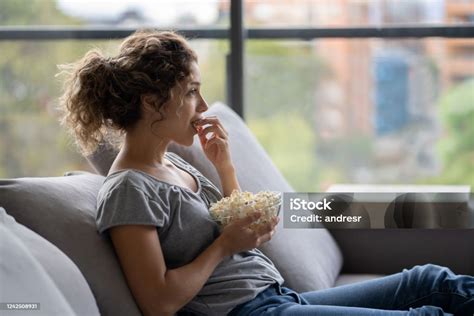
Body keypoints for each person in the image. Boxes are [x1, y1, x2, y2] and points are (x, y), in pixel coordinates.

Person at [58, 29, 473, 316]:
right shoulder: (129, 188)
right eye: (190, 92)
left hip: (275, 297)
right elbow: (159, 302)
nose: (202, 107)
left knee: (430, 279)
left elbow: (232, 225)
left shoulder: (173, 164)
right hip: (250, 311)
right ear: (152, 102)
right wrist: (225, 245)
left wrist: (225, 167)